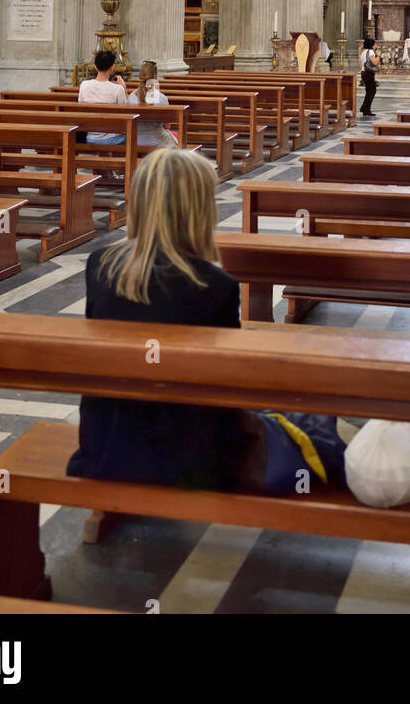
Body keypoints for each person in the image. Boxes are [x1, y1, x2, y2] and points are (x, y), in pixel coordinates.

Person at [66, 148, 346, 493]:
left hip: (105, 447)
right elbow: (223, 383)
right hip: (188, 461)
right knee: (310, 413)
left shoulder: (100, 266)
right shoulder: (213, 286)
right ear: (198, 209)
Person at [127, 59, 178, 150]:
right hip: (157, 141)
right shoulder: (161, 98)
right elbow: (167, 126)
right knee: (176, 137)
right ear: (155, 77)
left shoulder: (131, 97)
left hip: (136, 140)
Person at [78, 49, 127, 144]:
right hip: (113, 138)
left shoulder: (84, 85)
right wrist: (124, 88)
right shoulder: (118, 89)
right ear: (112, 67)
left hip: (90, 137)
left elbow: (81, 106)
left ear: (96, 66)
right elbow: (124, 114)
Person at [360, 35, 379, 117]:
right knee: (372, 91)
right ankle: (365, 108)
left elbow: (360, 64)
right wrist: (378, 55)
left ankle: (365, 109)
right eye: (375, 43)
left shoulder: (363, 52)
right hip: (368, 74)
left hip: (364, 72)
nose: (376, 45)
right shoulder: (371, 52)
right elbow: (374, 62)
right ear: (372, 45)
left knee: (369, 91)